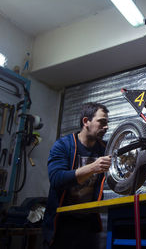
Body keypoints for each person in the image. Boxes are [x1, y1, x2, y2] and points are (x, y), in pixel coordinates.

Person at [42, 102, 112, 249]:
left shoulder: (105, 149)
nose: (106, 127)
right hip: (62, 223)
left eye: (107, 123)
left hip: (89, 224)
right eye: (102, 122)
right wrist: (92, 168)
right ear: (86, 121)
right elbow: (56, 179)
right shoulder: (63, 145)